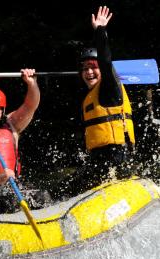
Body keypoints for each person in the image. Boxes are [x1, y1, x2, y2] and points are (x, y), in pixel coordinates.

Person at [56, 6, 135, 198]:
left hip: (116, 159)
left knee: (65, 189)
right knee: (64, 186)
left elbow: (106, 61)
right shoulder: (90, 95)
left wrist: (100, 30)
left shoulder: (110, 87)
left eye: (93, 67)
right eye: (85, 69)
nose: (89, 72)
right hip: (99, 159)